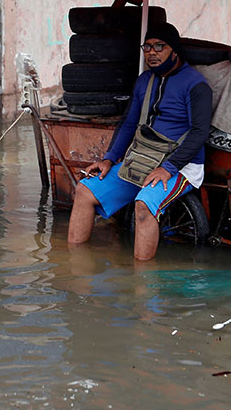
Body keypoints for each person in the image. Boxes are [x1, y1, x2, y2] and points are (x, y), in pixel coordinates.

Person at [67, 22, 212, 260]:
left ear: (174, 51)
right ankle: (74, 270)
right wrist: (109, 158)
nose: (152, 52)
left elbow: (199, 132)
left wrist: (168, 169)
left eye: (159, 47)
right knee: (84, 191)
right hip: (142, 159)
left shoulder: (196, 85)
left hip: (181, 166)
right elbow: (128, 122)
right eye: (147, 47)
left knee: (143, 205)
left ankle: (142, 289)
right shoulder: (145, 80)